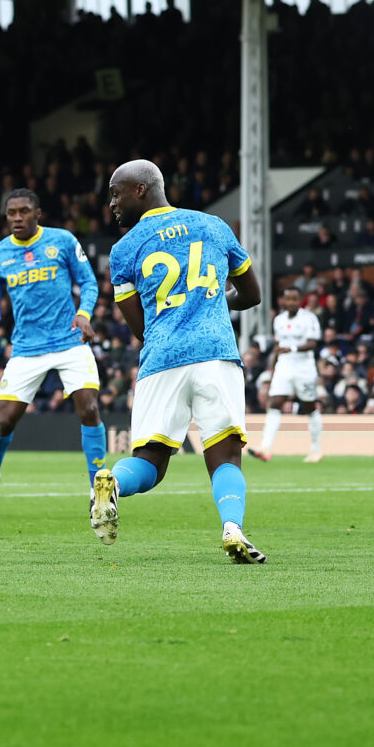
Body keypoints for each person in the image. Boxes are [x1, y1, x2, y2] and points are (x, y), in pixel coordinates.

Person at [90, 159, 266, 564]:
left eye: (117, 193)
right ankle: (232, 528)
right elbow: (252, 294)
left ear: (140, 190)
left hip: (162, 360)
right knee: (224, 454)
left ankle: (113, 481)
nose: (112, 203)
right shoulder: (214, 226)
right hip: (216, 354)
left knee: (150, 462)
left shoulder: (124, 250)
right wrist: (218, 304)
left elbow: (140, 328)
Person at [0, 188, 104, 516]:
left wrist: (83, 313)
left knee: (89, 409)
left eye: (24, 211)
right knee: (5, 421)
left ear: (38, 214)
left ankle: (98, 493)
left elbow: (89, 283)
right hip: (27, 348)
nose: (17, 218)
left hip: (70, 341)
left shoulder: (62, 241)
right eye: (11, 213)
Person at [249, 287, 323, 463]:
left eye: (295, 299)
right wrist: (273, 370)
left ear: (300, 300)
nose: (291, 303)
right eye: (288, 299)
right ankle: (265, 448)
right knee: (275, 403)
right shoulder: (279, 320)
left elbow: (313, 343)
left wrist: (292, 348)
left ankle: (316, 449)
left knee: (309, 406)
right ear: (283, 301)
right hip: (284, 366)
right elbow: (278, 347)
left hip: (304, 367)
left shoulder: (309, 318)